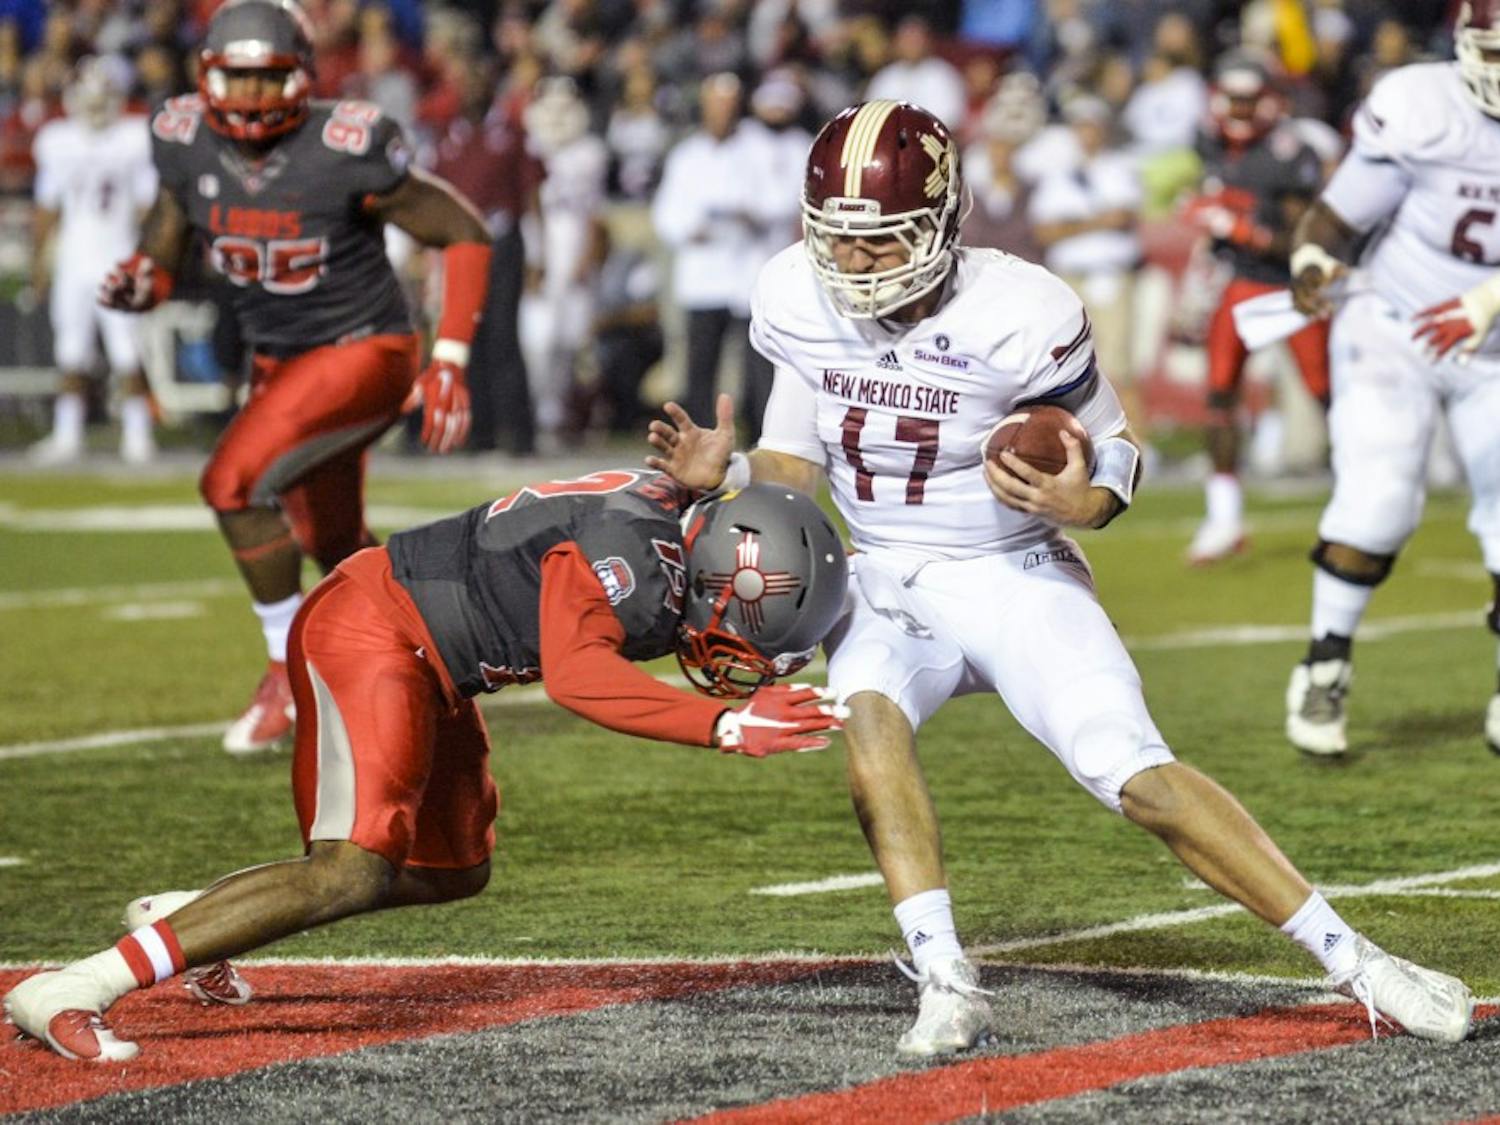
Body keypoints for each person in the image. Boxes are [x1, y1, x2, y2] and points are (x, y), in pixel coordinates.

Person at [647, 99, 1476, 1057]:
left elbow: (1118, 446)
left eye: (882, 243)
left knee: (1135, 775)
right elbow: (794, 463)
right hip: (883, 571)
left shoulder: (1023, 309)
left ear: (944, 222)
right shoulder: (795, 293)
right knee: (869, 720)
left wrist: (1084, 504)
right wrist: (736, 474)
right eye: (837, 239)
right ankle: (946, 973)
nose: (854, 264)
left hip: (1014, 566)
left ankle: (1361, 963)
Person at [2, 474, 849, 1062]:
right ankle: (77, 985)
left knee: (454, 868)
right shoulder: (631, 559)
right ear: (713, 575)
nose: (753, 658)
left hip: (439, 658)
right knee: (348, 868)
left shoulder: (682, 524)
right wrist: (726, 723)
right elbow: (580, 677)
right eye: (752, 630)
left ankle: (199, 916)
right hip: (374, 626)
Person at [98, 0, 493, 756]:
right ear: (207, 76)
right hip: (278, 359)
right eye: (236, 80)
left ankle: (286, 670)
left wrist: (449, 361)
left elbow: (463, 231)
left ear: (300, 79)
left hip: (363, 349)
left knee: (234, 485)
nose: (249, 98)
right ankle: (428, 659)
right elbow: (171, 227)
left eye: (266, 80)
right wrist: (146, 276)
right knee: (332, 537)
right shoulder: (182, 138)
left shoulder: (345, 144)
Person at [1286, 2, 1500, 757]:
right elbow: (1336, 219)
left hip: (1496, 348)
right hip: (1396, 323)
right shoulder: (1421, 106)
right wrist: (1313, 262)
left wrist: (1488, 297)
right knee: (1376, 502)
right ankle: (1324, 663)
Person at [1182, 52, 1329, 566]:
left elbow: (1307, 240)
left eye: (1250, 99)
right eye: (1234, 98)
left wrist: (1245, 230)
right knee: (1220, 394)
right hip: (1240, 283)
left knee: (1327, 393)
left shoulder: (1290, 152)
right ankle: (1224, 517)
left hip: (1293, 290)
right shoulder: (1209, 142)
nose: (1241, 109)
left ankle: (1364, 495)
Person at [29, 56, 158, 465]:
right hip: (75, 258)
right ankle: (68, 434)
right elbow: (47, 207)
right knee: (71, 350)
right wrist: (40, 261)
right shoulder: (57, 140)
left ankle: (138, 434)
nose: (96, 106)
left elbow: (147, 206)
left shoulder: (133, 138)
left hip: (117, 256)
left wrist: (149, 257)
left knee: (126, 350)